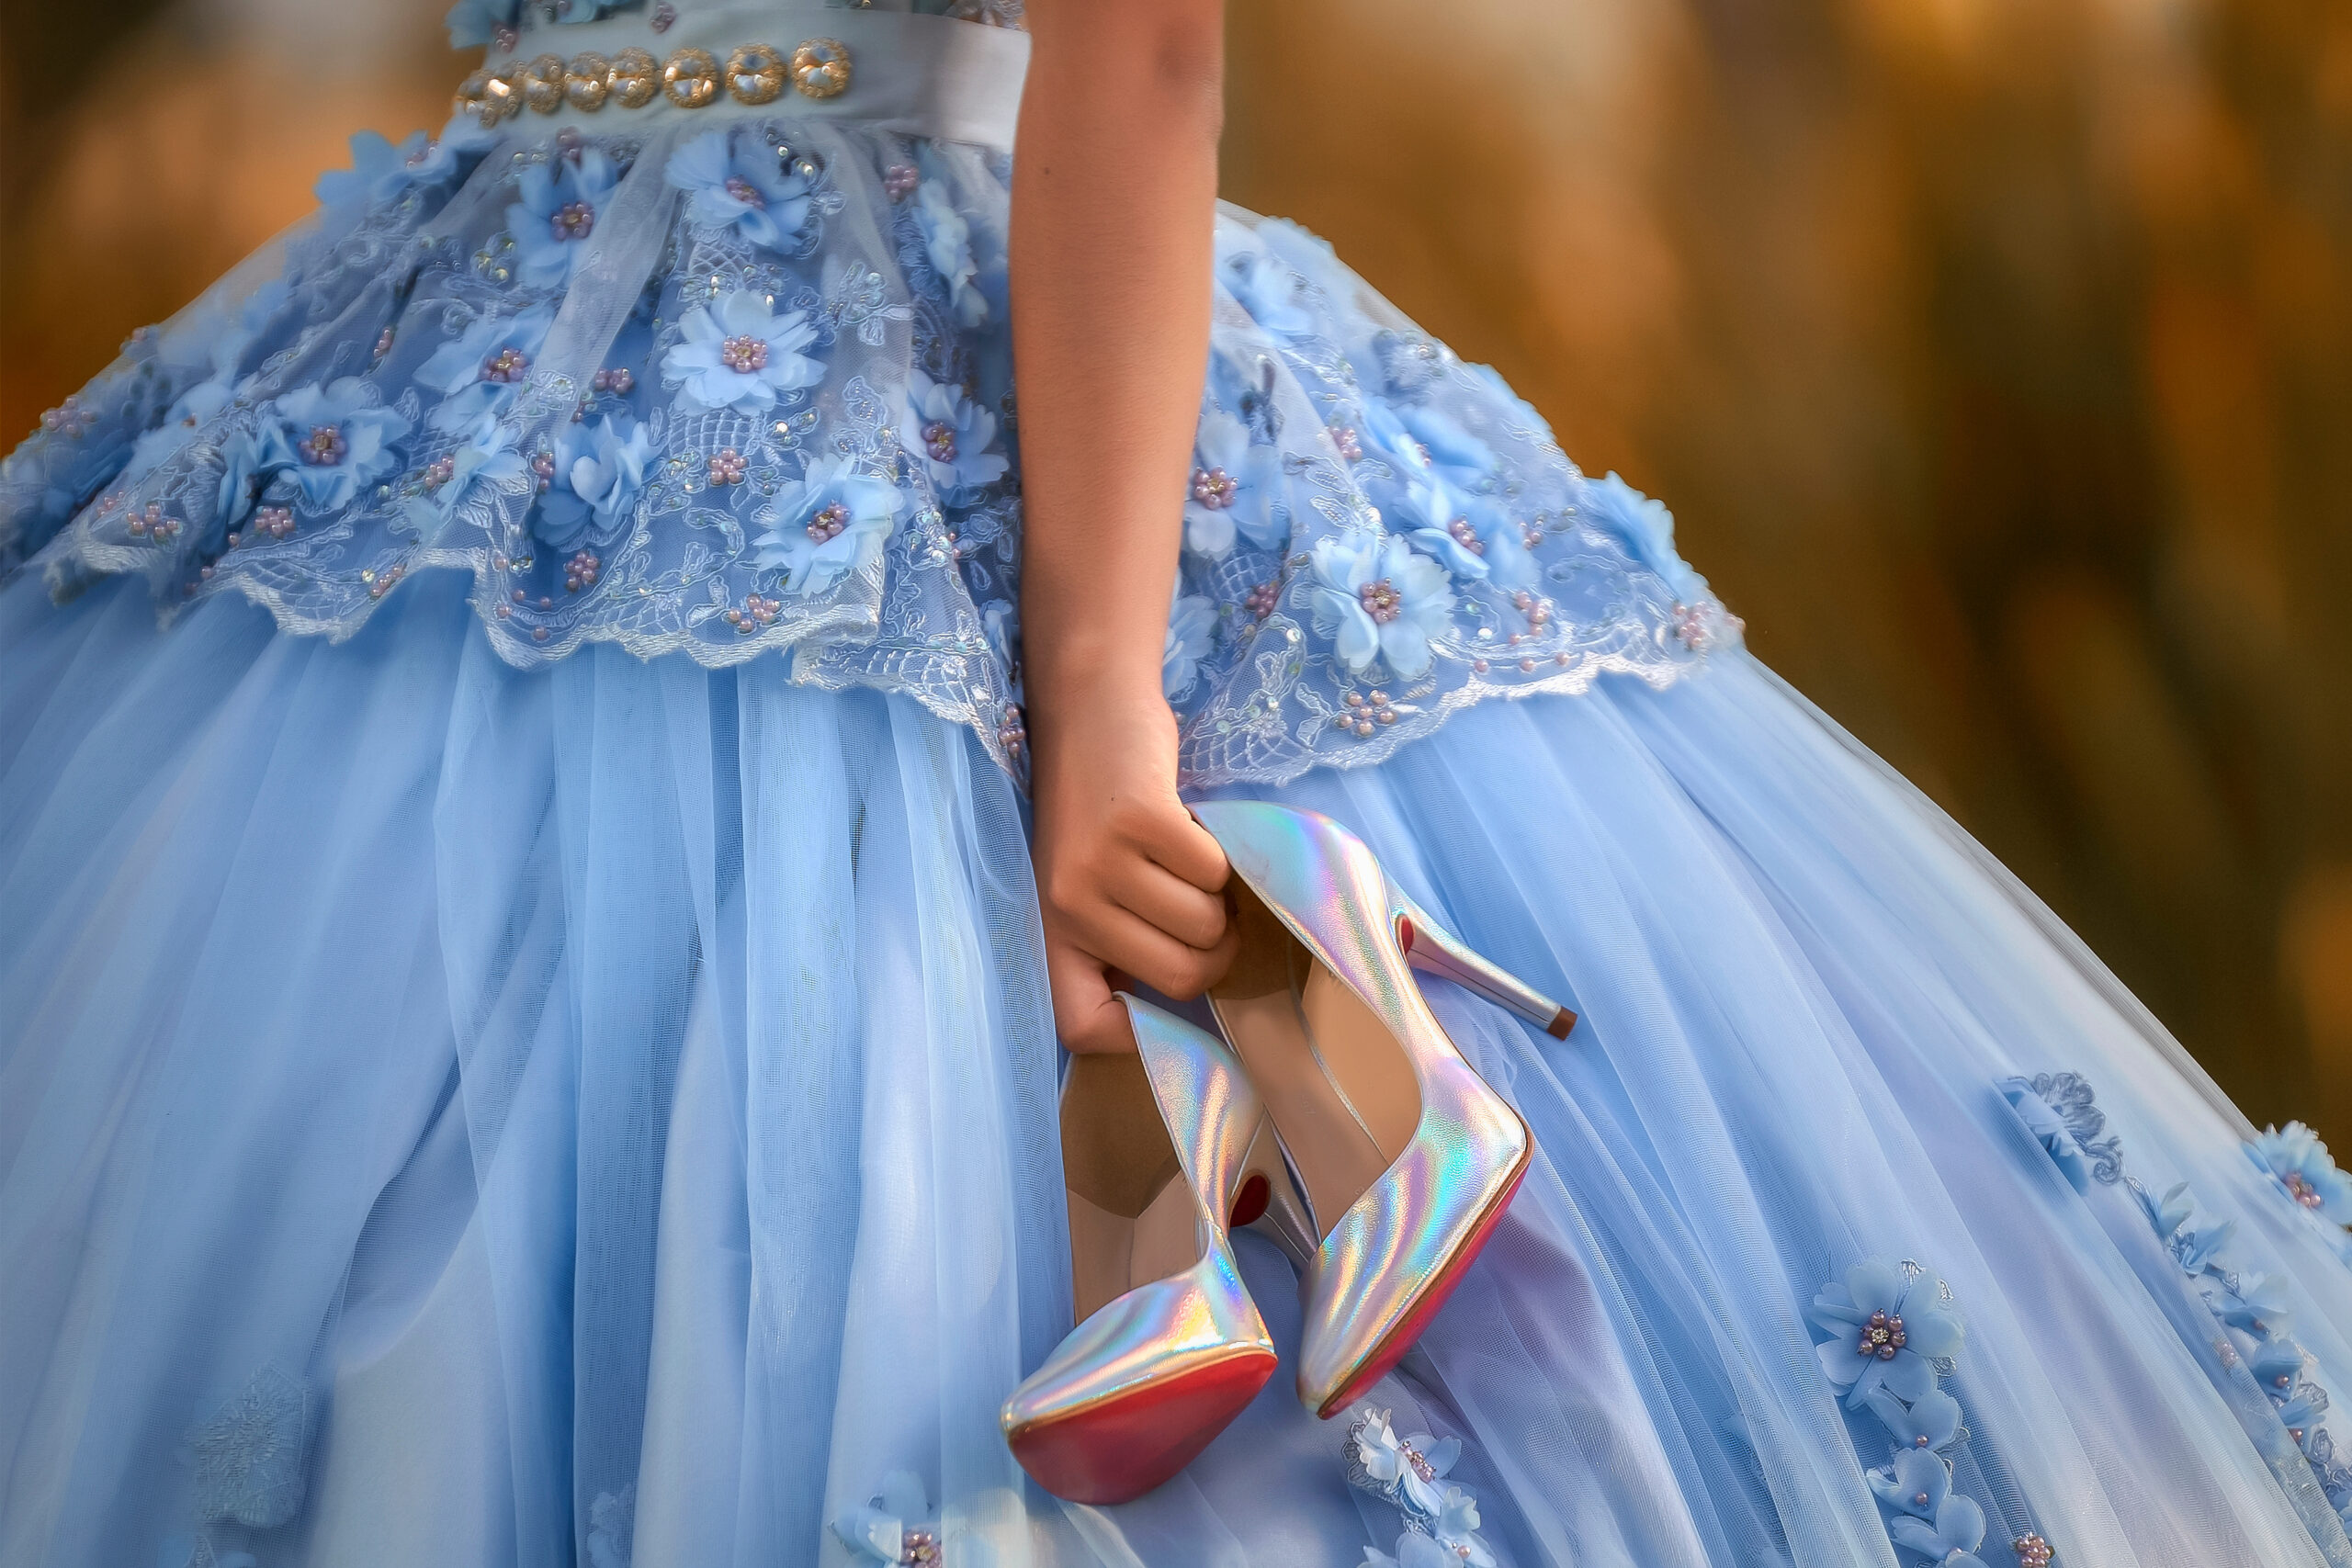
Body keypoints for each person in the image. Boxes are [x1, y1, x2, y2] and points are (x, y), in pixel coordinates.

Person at [3, 0, 2347, 1564]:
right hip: (447, 369)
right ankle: (1314, 1030)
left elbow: (1138, 30)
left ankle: (1267, 984)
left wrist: (1102, 679)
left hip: (903, 339)